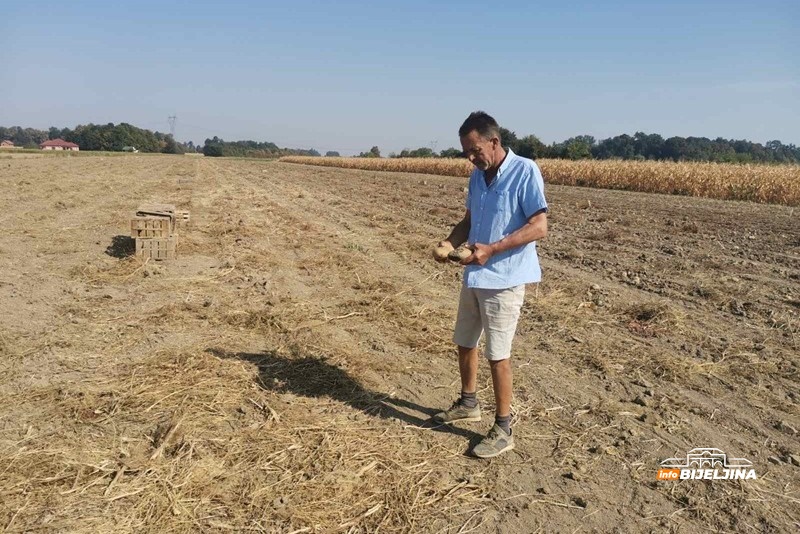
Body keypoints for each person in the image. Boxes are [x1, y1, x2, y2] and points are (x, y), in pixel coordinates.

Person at [433, 111, 548, 458]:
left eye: (475, 150)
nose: (471, 158)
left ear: (494, 142)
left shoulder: (525, 171)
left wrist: (493, 249)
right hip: (474, 273)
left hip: (505, 278)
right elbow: (469, 221)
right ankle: (469, 402)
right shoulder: (477, 177)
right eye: (466, 152)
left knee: (498, 354)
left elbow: (539, 226)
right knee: (464, 341)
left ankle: (503, 428)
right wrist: (449, 244)